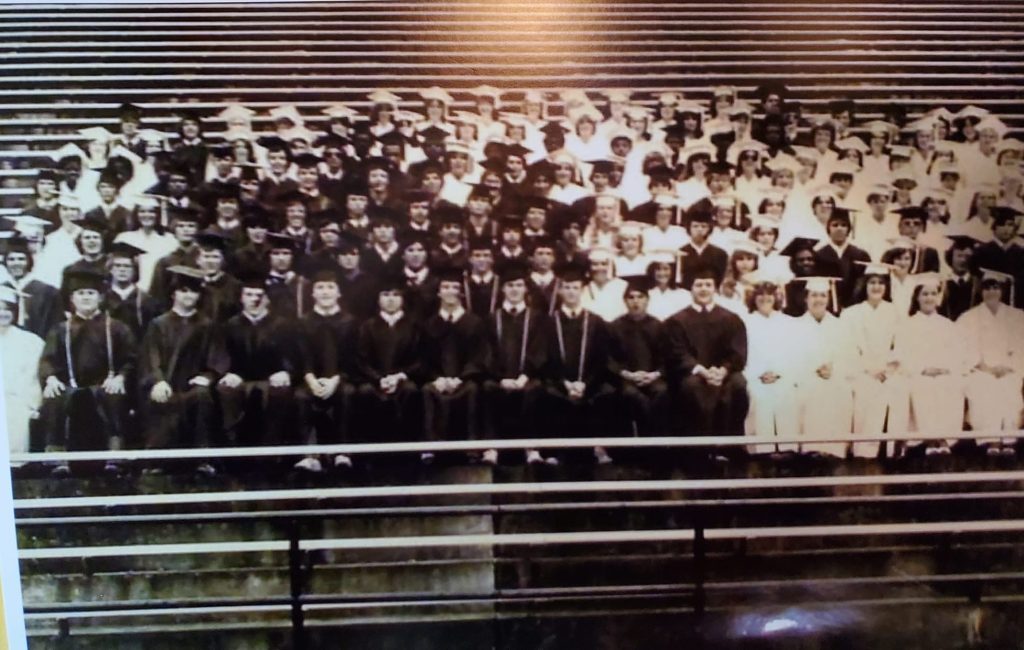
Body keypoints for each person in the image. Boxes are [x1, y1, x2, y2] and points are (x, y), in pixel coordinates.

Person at [38, 269, 137, 476]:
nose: (85, 297)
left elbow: (131, 358)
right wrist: (51, 378)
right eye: (80, 293)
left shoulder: (117, 328)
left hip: (104, 386)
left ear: (100, 298)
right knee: (55, 397)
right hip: (71, 387)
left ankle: (114, 456)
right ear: (72, 299)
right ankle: (58, 458)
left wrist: (120, 377)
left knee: (115, 395)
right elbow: (48, 359)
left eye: (91, 293)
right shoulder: (61, 329)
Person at [138, 266, 227, 475]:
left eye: (193, 291)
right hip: (165, 383)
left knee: (202, 396)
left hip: (192, 387)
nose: (189, 296)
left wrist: (208, 377)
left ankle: (201, 459)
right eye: (184, 291)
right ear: (173, 293)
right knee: (160, 398)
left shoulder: (207, 325)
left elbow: (217, 357)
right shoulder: (158, 324)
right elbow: (150, 358)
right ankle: (157, 461)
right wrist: (158, 380)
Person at [663, 267, 749, 447]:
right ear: (691, 289)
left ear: (715, 289)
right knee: (691, 387)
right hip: (692, 373)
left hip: (724, 373)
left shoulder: (731, 319)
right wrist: (700, 370)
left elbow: (737, 352)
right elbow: (677, 352)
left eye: (708, 285)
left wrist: (724, 370)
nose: (703, 289)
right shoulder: (677, 321)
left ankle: (730, 447)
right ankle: (698, 451)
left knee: (739, 384)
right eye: (699, 285)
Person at [543, 262, 617, 464]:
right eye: (566, 287)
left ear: (582, 290)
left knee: (606, 393)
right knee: (548, 393)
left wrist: (585, 383)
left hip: (590, 383)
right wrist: (564, 383)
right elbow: (547, 358)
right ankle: (555, 451)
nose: (571, 292)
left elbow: (602, 358)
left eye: (575, 288)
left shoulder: (595, 321)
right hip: (559, 382)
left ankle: (597, 448)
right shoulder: (549, 322)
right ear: (559, 291)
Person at [216, 272, 296, 448]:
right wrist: (230, 372)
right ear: (241, 298)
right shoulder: (231, 325)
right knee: (226, 389)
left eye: (259, 295)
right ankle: (234, 451)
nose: (254, 299)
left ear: (267, 299)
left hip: (272, 377)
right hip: (240, 377)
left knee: (280, 391)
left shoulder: (282, 325)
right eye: (249, 295)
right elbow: (223, 354)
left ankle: (273, 454)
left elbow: (291, 354)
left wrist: (285, 371)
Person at [483, 261, 550, 465]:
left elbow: (539, 350)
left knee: (534, 389)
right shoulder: (492, 318)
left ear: (526, 289)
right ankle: (491, 448)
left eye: (519, 285)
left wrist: (524, 376)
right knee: (487, 387)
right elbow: (487, 353)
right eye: (510, 285)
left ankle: (532, 449)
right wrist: (500, 378)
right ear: (503, 289)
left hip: (526, 377)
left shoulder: (537, 318)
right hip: (498, 378)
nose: (514, 290)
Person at [893, 273, 968, 455]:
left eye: (933, 293)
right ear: (917, 297)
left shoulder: (948, 325)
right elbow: (902, 354)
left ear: (938, 297)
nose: (929, 298)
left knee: (949, 385)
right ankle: (930, 439)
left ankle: (943, 439)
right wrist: (922, 369)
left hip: (943, 373)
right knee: (923, 386)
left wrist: (945, 368)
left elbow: (957, 354)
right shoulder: (906, 325)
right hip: (918, 373)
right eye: (924, 294)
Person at [840, 262, 910, 458]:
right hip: (861, 370)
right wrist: (869, 369)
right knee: (867, 390)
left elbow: (901, 345)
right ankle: (865, 450)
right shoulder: (851, 314)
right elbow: (848, 349)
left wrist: (889, 368)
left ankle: (893, 449)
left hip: (889, 370)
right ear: (864, 285)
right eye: (872, 282)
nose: (876, 287)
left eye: (881, 282)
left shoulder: (895, 312)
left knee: (899, 388)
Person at [421, 268, 490, 463]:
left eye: (454, 287)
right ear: (439, 292)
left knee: (473, 389)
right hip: (438, 380)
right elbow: (424, 358)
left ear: (461, 293)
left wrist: (461, 378)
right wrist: (438, 378)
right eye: (445, 287)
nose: (450, 291)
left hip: (465, 380)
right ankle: (430, 447)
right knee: (428, 390)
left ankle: (471, 447)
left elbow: (479, 356)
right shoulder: (430, 324)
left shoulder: (474, 323)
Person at [294, 264, 357, 472]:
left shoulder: (350, 322)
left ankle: (342, 453)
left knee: (347, 394)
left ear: (339, 293)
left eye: (330, 287)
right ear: (312, 293)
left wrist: (335, 379)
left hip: (341, 378)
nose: (325, 292)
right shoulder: (304, 322)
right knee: (302, 397)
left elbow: (352, 358)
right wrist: (312, 380)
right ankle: (310, 455)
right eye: (320, 288)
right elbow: (303, 356)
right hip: (311, 379)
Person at [957, 269, 1024, 455]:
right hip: (981, 370)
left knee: (1009, 388)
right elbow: (964, 349)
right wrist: (983, 367)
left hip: (1010, 370)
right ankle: (992, 440)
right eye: (987, 288)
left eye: (995, 287)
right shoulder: (968, 317)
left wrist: (1009, 366)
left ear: (1002, 290)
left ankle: (1008, 439)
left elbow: (1020, 347)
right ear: (981, 290)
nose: (991, 292)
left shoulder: (1017, 316)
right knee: (984, 388)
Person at [353, 277, 423, 448]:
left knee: (410, 390)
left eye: (395, 294)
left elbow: (420, 359)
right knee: (365, 392)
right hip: (373, 380)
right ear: (378, 299)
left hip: (403, 379)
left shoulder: (414, 326)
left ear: (402, 299)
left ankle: (407, 449)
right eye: (385, 294)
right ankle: (369, 449)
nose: (390, 299)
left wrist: (399, 376)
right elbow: (361, 359)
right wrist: (379, 379)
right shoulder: (367, 327)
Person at [791, 276, 853, 457]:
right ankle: (810, 448)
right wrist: (812, 370)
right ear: (806, 298)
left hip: (835, 376)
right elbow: (790, 357)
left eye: (823, 295)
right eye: (814, 295)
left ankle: (832, 449)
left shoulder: (840, 325)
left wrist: (834, 369)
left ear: (828, 298)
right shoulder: (795, 326)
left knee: (837, 391)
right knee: (810, 392)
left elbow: (850, 356)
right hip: (804, 377)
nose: (818, 300)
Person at [742, 273, 800, 454]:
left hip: (783, 374)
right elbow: (744, 355)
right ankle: (762, 450)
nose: (765, 298)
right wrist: (759, 374)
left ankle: (787, 448)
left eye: (769, 294)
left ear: (776, 297)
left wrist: (779, 373)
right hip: (756, 376)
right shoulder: (745, 322)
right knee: (760, 398)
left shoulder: (788, 323)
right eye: (760, 294)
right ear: (753, 298)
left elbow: (793, 354)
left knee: (787, 395)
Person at [608, 276, 669, 439]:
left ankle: (655, 445)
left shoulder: (659, 326)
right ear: (625, 301)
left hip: (653, 377)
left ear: (647, 300)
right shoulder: (615, 327)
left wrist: (654, 375)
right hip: (626, 378)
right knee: (631, 395)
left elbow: (667, 357)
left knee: (661, 392)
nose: (636, 302)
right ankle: (638, 448)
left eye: (640, 297)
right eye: (631, 297)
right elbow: (609, 359)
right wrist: (627, 374)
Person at [0, 286, 45, 462]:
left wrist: (31, 404)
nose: (2, 314)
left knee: (14, 414)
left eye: (7, 310)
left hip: (18, 398)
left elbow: (32, 376)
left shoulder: (30, 341)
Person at [1, 236, 63, 339]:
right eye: (11, 259)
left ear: (29, 261)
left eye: (21, 259)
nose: (16, 263)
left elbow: (55, 325)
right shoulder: (2, 290)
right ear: (5, 263)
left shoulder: (48, 292)